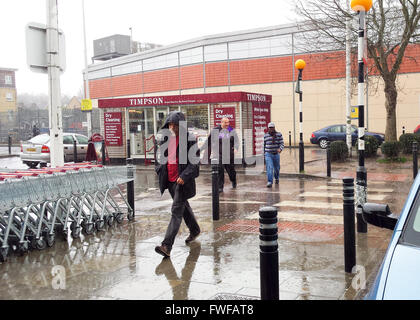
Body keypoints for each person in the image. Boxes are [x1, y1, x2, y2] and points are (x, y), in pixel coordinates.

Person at [154, 111, 201, 258]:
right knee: (183, 207)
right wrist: (159, 170)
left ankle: (166, 246)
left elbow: (194, 162)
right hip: (169, 181)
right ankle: (195, 230)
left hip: (181, 182)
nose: (172, 127)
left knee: (176, 211)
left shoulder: (189, 139)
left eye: (175, 125)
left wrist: (184, 176)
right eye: (170, 124)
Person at [205, 117, 239, 193]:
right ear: (221, 122)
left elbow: (236, 141)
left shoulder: (231, 130)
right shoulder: (215, 130)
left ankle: (233, 180)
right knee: (220, 169)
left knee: (231, 171)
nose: (227, 124)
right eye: (225, 122)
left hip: (229, 155)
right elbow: (209, 141)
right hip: (219, 154)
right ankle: (220, 187)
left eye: (228, 122)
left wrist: (236, 148)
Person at [263, 122, 284, 188]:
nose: (271, 129)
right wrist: (264, 154)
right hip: (268, 154)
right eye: (270, 128)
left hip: (276, 154)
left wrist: (280, 149)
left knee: (277, 168)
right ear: (268, 128)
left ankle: (277, 178)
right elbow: (263, 145)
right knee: (270, 168)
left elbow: (282, 144)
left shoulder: (279, 135)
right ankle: (269, 182)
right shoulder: (265, 135)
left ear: (274, 128)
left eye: (272, 127)